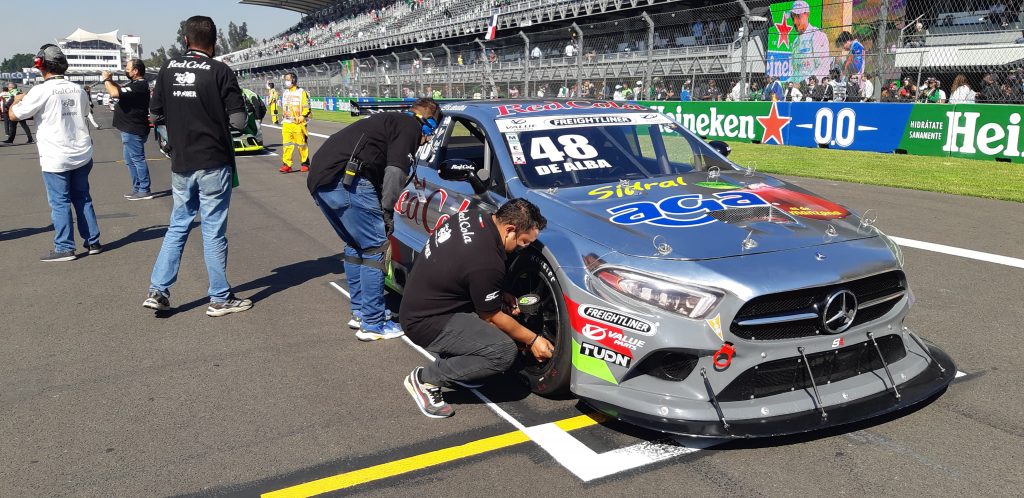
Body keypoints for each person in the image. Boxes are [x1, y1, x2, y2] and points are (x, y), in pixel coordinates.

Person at [400, 199, 553, 418]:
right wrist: (533, 340)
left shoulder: (474, 216)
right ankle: (425, 379)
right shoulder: (487, 261)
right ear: (510, 230)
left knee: (497, 327)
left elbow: (465, 273)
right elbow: (491, 317)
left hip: (424, 301)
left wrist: (497, 295)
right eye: (523, 242)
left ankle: (462, 365)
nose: (524, 247)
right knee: (502, 352)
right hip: (425, 321)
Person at [143, 15, 252, 317]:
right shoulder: (220, 70)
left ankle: (158, 290)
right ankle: (219, 298)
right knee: (213, 231)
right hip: (214, 161)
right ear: (214, 43)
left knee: (178, 224)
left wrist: (172, 136)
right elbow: (240, 123)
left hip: (182, 162)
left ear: (186, 40)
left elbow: (155, 115)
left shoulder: (167, 68)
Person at [306, 97, 441, 340]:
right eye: (430, 132)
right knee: (374, 248)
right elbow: (395, 172)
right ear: (428, 123)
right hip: (347, 180)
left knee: (355, 246)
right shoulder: (410, 126)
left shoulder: (388, 122)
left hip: (322, 180)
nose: (427, 139)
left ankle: (361, 312)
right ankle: (373, 323)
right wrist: (387, 212)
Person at [10, 44, 100, 261]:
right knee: (82, 197)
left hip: (56, 156)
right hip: (81, 151)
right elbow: (86, 112)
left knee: (60, 201)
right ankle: (93, 241)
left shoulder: (40, 91)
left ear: (41, 65)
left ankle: (64, 247)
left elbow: (14, 116)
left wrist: (16, 99)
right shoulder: (77, 89)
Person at [102, 59, 153, 201]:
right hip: (129, 128)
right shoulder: (134, 85)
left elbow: (114, 94)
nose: (126, 70)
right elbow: (119, 90)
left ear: (135, 71)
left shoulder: (140, 85)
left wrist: (106, 80)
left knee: (137, 159)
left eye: (128, 68)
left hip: (134, 129)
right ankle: (137, 188)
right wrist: (111, 81)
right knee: (129, 160)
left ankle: (144, 189)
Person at [789, 0, 831, 84]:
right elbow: (796, 71)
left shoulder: (817, 35)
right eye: (793, 17)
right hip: (797, 90)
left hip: (813, 90)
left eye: (798, 16)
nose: (795, 22)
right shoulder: (795, 42)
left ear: (807, 14)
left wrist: (805, 83)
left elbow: (823, 67)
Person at [278, 72, 311, 173]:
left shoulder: (302, 92)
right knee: (287, 144)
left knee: (301, 144)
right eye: (285, 79)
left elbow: (307, 107)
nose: (286, 81)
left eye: (288, 79)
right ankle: (287, 164)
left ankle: (305, 163)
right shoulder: (285, 93)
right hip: (287, 122)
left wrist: (302, 117)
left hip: (298, 123)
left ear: (294, 80)